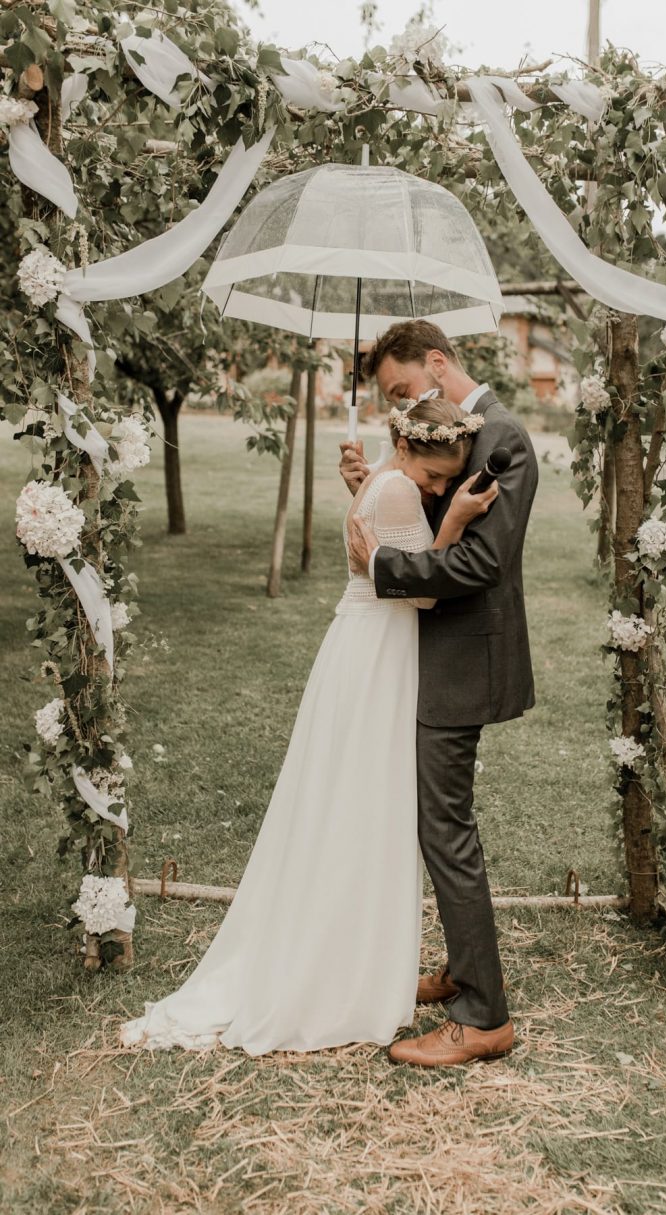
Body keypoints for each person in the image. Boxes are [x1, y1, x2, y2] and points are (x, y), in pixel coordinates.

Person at [118, 395, 497, 1055]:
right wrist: (456, 521)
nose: (440, 488)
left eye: (447, 482)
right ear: (409, 450)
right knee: (361, 803)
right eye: (437, 476)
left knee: (347, 800)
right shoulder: (402, 491)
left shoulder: (385, 475)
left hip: (365, 648)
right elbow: (422, 591)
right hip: (378, 651)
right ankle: (342, 966)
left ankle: (353, 957)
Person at [342, 319, 538, 1068]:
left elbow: (480, 562)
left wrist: (385, 566)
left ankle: (484, 1014)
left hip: (463, 660)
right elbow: (432, 520)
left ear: (436, 363)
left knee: (445, 828)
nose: (401, 406)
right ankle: (462, 969)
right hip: (432, 654)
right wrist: (384, 492)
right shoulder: (451, 440)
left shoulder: (505, 439)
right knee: (436, 823)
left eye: (402, 390)